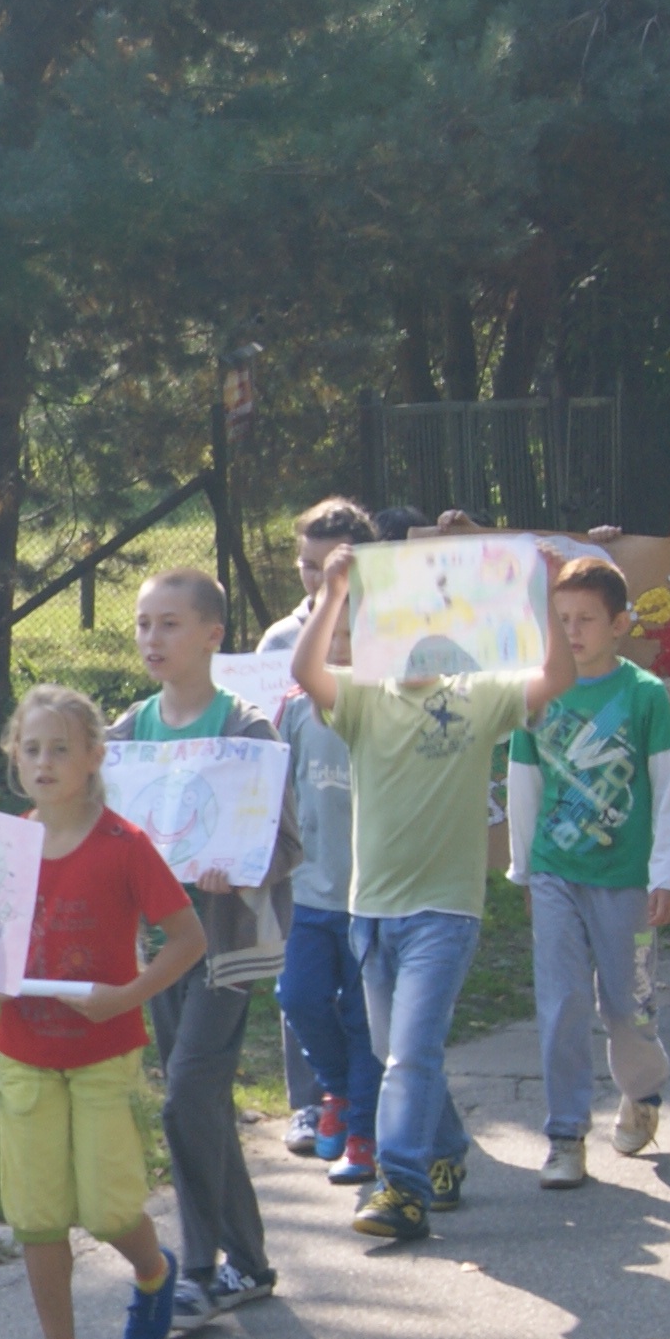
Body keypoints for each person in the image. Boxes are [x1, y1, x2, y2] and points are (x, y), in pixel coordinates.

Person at [290, 542, 566, 1246]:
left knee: (410, 1052)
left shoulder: (476, 698)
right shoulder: (361, 701)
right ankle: (445, 1149)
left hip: (444, 912)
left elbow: (555, 673)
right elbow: (303, 670)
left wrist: (548, 590)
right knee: (396, 1053)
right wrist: (334, 589)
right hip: (371, 913)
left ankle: (402, 1186)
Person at [0, 687, 207, 1339]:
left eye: (59, 748)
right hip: (23, 1052)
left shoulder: (124, 846)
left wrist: (127, 995)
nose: (43, 762)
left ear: (92, 758)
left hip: (104, 1049)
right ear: (13, 755)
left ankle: (151, 1272)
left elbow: (187, 940)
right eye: (30, 748)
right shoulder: (7, 846)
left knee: (109, 1210)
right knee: (37, 1215)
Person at [114, 569, 284, 1325]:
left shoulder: (248, 731)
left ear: (214, 635)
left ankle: (199, 1271)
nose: (154, 638)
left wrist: (240, 861)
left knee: (185, 1096)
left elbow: (281, 838)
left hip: (227, 945)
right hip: (161, 952)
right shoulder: (126, 735)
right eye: (145, 624)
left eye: (171, 624)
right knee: (202, 1103)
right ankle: (251, 1263)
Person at [502, 559, 670, 1187]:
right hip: (556, 873)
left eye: (585, 620)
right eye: (561, 621)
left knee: (628, 1005)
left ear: (620, 625)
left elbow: (668, 791)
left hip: (627, 881)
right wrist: (524, 871)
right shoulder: (538, 692)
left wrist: (666, 874)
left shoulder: (644, 695)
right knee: (561, 1004)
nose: (572, 632)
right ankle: (565, 1135)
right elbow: (522, 784)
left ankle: (642, 1089)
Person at [264, 500, 382, 1176]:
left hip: (373, 890)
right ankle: (330, 1093)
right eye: (306, 566)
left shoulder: (389, 695)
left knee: (367, 1018)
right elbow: (269, 782)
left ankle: (362, 1129)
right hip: (309, 888)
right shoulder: (291, 695)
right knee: (301, 997)